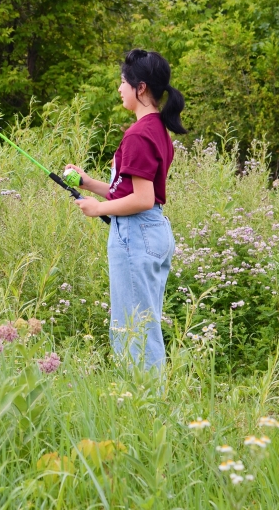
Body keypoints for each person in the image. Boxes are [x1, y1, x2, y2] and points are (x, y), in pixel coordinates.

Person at [65, 48, 186, 369]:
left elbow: (143, 199)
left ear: (141, 87)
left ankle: (145, 408)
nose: (119, 89)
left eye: (123, 82)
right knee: (143, 322)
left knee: (134, 329)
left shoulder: (138, 134)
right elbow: (133, 190)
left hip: (137, 234)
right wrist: (90, 184)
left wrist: (98, 209)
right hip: (153, 231)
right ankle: (146, 404)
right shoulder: (158, 129)